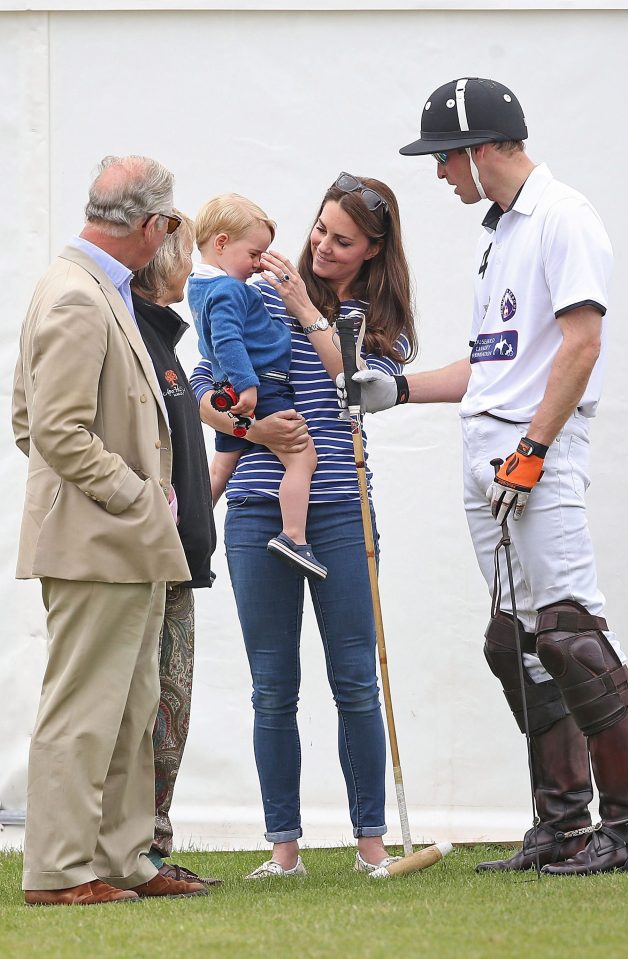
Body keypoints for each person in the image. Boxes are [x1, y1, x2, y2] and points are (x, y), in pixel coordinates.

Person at [342, 77, 628, 875]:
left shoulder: (562, 217)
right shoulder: (496, 233)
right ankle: (562, 825)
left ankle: (627, 827)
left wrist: (534, 447)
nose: (439, 175)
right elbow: (491, 365)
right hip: (489, 454)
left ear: (475, 148)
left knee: (573, 633)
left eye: (443, 158)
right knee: (519, 642)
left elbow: (581, 344)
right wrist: (397, 388)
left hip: (534, 453)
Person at [190, 172, 417, 878]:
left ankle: (369, 845)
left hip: (343, 507)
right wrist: (252, 427)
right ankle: (282, 849)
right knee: (271, 684)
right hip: (260, 508)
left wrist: (309, 312)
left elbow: (357, 389)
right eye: (320, 229)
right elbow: (201, 388)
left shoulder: (382, 324)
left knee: (354, 678)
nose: (321, 246)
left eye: (341, 240)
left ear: (374, 251)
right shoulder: (251, 291)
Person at [13, 156, 207, 905]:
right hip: (98, 541)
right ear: (154, 226)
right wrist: (135, 494)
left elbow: (35, 421)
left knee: (130, 709)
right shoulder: (76, 295)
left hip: (124, 541)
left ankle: (121, 858)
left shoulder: (99, 289)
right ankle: (59, 870)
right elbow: (50, 429)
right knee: (84, 709)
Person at [130, 212, 220, 886]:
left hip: (179, 563)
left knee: (171, 706)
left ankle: (151, 845)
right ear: (157, 259)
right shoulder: (134, 332)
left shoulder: (165, 339)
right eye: (186, 254)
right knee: (148, 709)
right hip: (147, 562)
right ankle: (136, 849)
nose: (192, 267)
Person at [188, 194, 325, 580]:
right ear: (221, 243)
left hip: (230, 385)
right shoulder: (230, 290)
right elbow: (228, 340)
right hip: (262, 387)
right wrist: (248, 387)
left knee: (220, 469)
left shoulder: (198, 288)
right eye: (254, 253)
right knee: (303, 459)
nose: (257, 264)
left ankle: (185, 539)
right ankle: (294, 536)